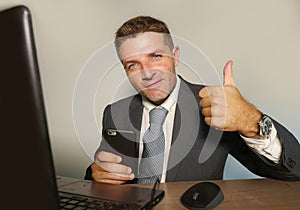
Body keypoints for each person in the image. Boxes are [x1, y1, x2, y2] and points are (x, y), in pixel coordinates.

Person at [84, 16, 300, 184]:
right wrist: (96, 173)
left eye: (156, 57)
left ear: (175, 56)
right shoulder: (115, 112)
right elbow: (104, 170)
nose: (147, 74)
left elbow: (293, 171)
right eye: (132, 65)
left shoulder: (217, 106)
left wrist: (251, 122)